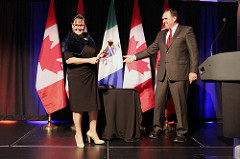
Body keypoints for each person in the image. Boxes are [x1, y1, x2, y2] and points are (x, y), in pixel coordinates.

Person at [123, 8, 199, 143]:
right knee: (158, 103)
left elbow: (193, 53)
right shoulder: (161, 34)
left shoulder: (186, 31)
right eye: (163, 19)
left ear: (174, 18)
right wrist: (134, 56)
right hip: (163, 73)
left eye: (166, 19)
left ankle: (181, 132)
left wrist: (193, 71)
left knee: (180, 104)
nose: (164, 21)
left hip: (180, 73)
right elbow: (151, 49)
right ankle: (157, 128)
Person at [61, 13, 105, 148]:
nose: (79, 27)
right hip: (77, 77)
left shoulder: (89, 38)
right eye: (76, 24)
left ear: (84, 25)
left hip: (90, 75)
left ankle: (92, 131)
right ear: (72, 25)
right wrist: (89, 60)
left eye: (81, 25)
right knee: (78, 107)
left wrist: (101, 55)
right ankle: (79, 134)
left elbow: (91, 55)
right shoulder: (69, 40)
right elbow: (69, 60)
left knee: (93, 105)